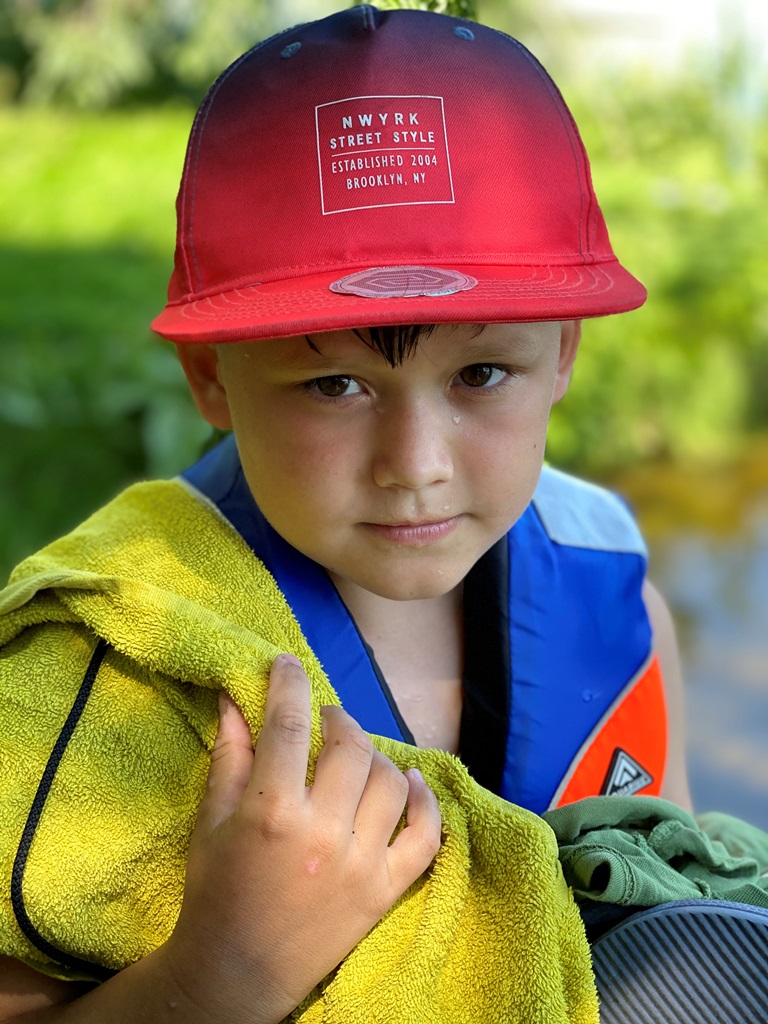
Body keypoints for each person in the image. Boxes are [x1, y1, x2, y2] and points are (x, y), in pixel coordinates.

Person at [0, 4, 692, 1021]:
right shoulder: (106, 663)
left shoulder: (622, 608)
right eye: (335, 386)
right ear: (211, 377)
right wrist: (217, 975)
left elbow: (678, 915)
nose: (415, 468)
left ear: (564, 356)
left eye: (481, 374)